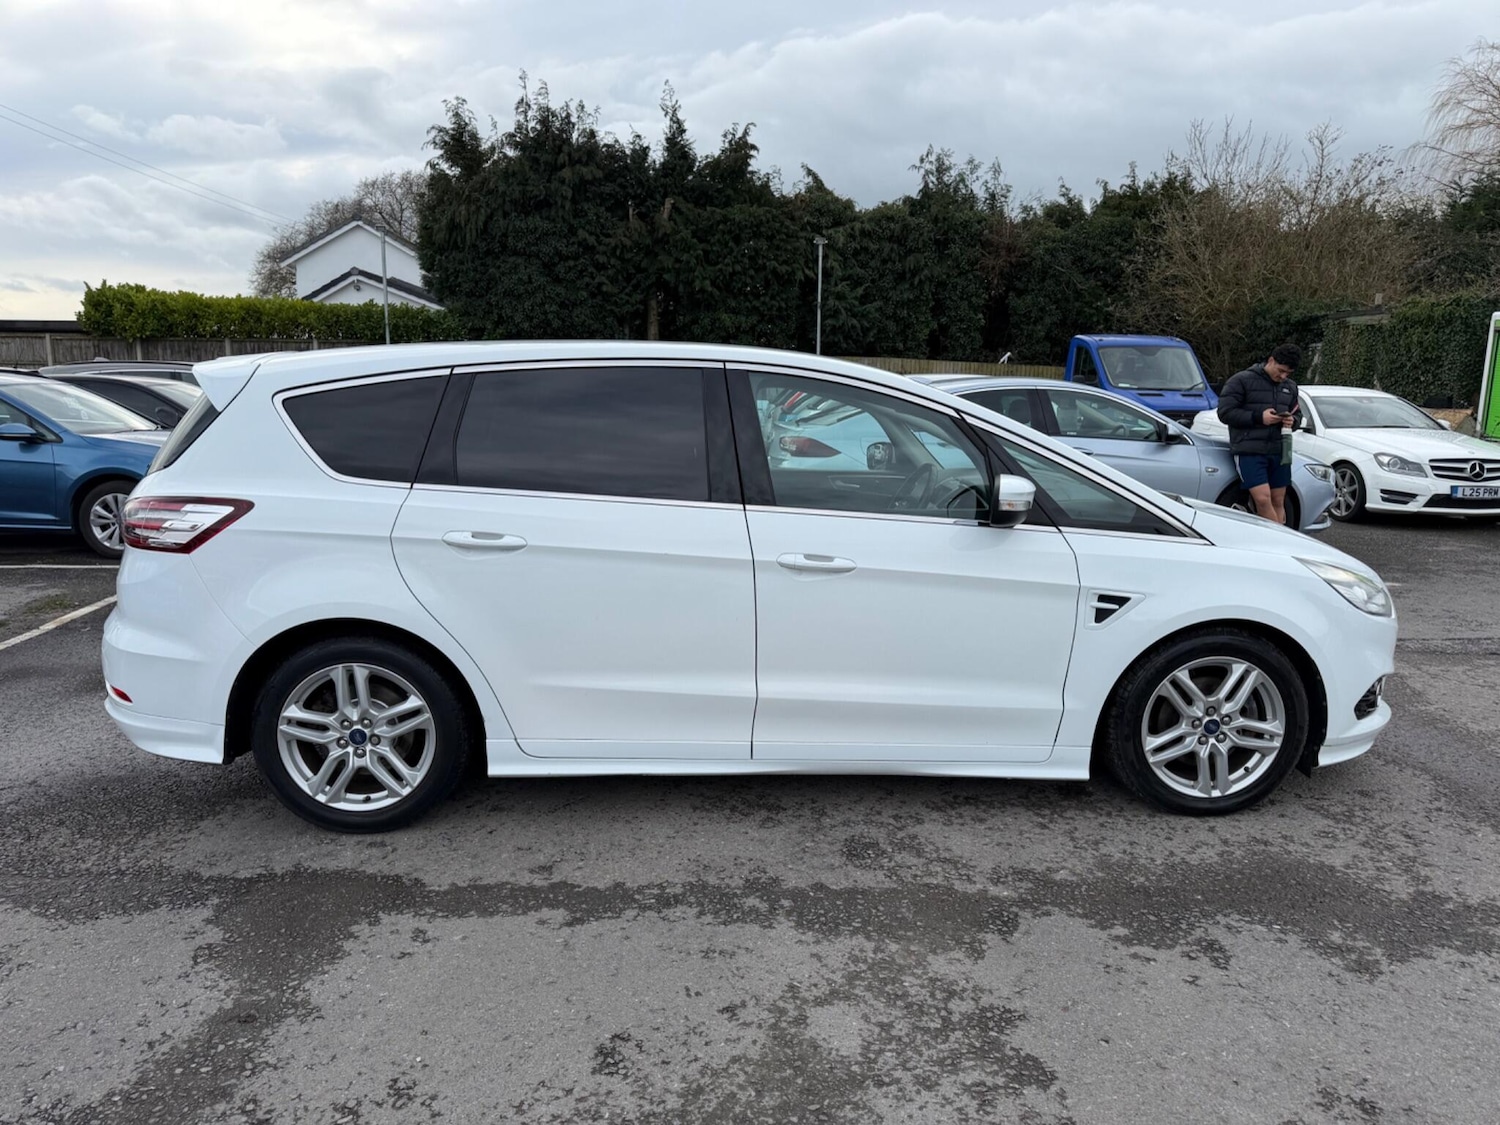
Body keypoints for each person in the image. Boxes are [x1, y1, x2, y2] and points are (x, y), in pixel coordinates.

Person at [1217, 344, 1302, 525]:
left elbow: (1297, 414)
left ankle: (1280, 545)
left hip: (1280, 450)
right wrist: (1258, 417)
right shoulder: (1241, 380)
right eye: (1281, 371)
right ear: (1271, 360)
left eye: (1288, 373)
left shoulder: (1291, 387)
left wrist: (1292, 421)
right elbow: (1224, 413)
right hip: (1249, 450)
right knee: (1263, 499)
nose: (1283, 376)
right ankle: (1275, 544)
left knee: (1279, 500)